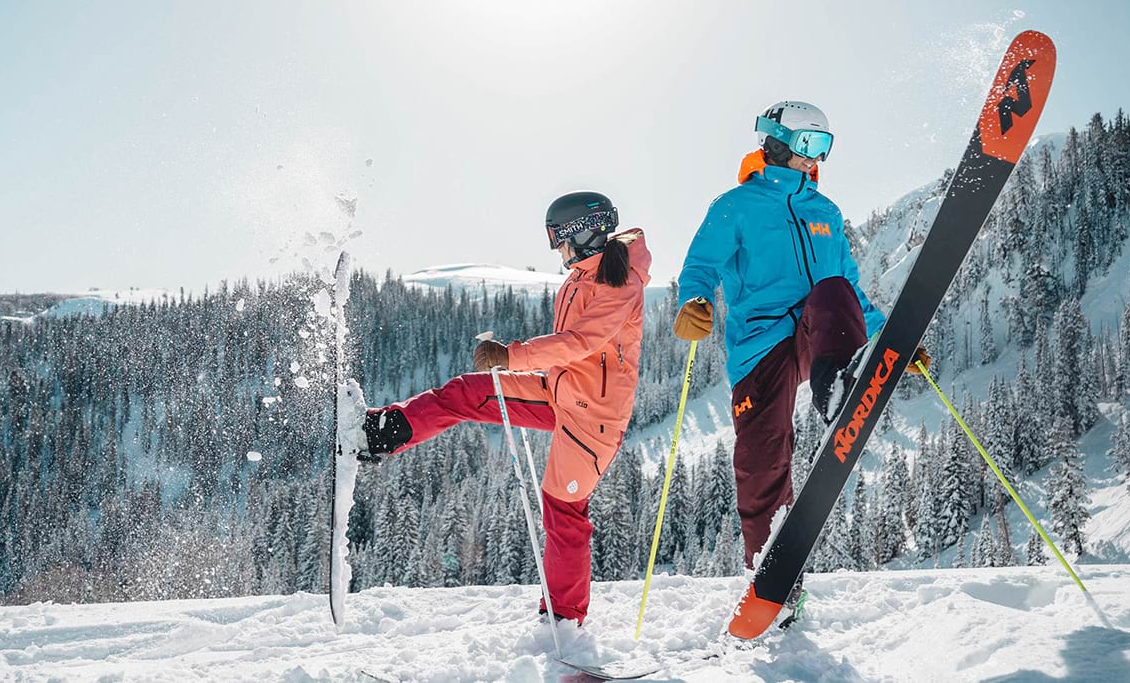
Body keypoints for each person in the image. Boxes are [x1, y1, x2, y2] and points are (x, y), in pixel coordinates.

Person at [357, 191, 649, 625]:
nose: (558, 250)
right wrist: (517, 364)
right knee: (466, 393)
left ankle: (564, 623)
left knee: (564, 512)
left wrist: (512, 356)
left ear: (580, 234)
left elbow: (581, 342)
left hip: (594, 420)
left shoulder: (620, 281)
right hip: (558, 394)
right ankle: (382, 432)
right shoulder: (580, 277)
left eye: (559, 239)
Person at [674, 101, 886, 572]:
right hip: (761, 345)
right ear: (775, 142)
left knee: (831, 290)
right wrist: (695, 301)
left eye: (825, 147)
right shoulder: (735, 207)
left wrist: (891, 338)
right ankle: (770, 579)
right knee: (760, 464)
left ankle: (838, 385)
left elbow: (848, 287)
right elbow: (701, 266)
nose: (818, 159)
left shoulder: (825, 212)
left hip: (820, 335)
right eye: (810, 144)